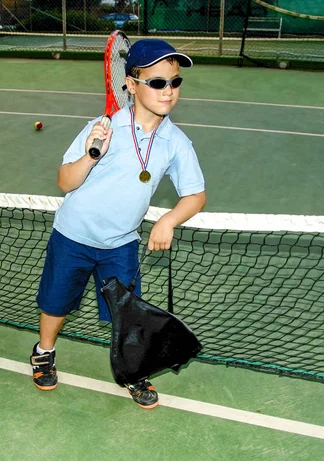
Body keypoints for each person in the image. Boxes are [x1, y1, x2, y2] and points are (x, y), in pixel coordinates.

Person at [30, 39, 206, 410]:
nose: (168, 91)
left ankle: (134, 369)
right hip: (73, 236)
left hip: (121, 244)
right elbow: (65, 181)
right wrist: (92, 156)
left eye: (174, 82)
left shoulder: (175, 142)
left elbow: (196, 195)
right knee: (56, 304)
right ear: (131, 85)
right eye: (157, 82)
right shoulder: (103, 127)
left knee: (128, 314)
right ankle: (44, 352)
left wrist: (169, 220)